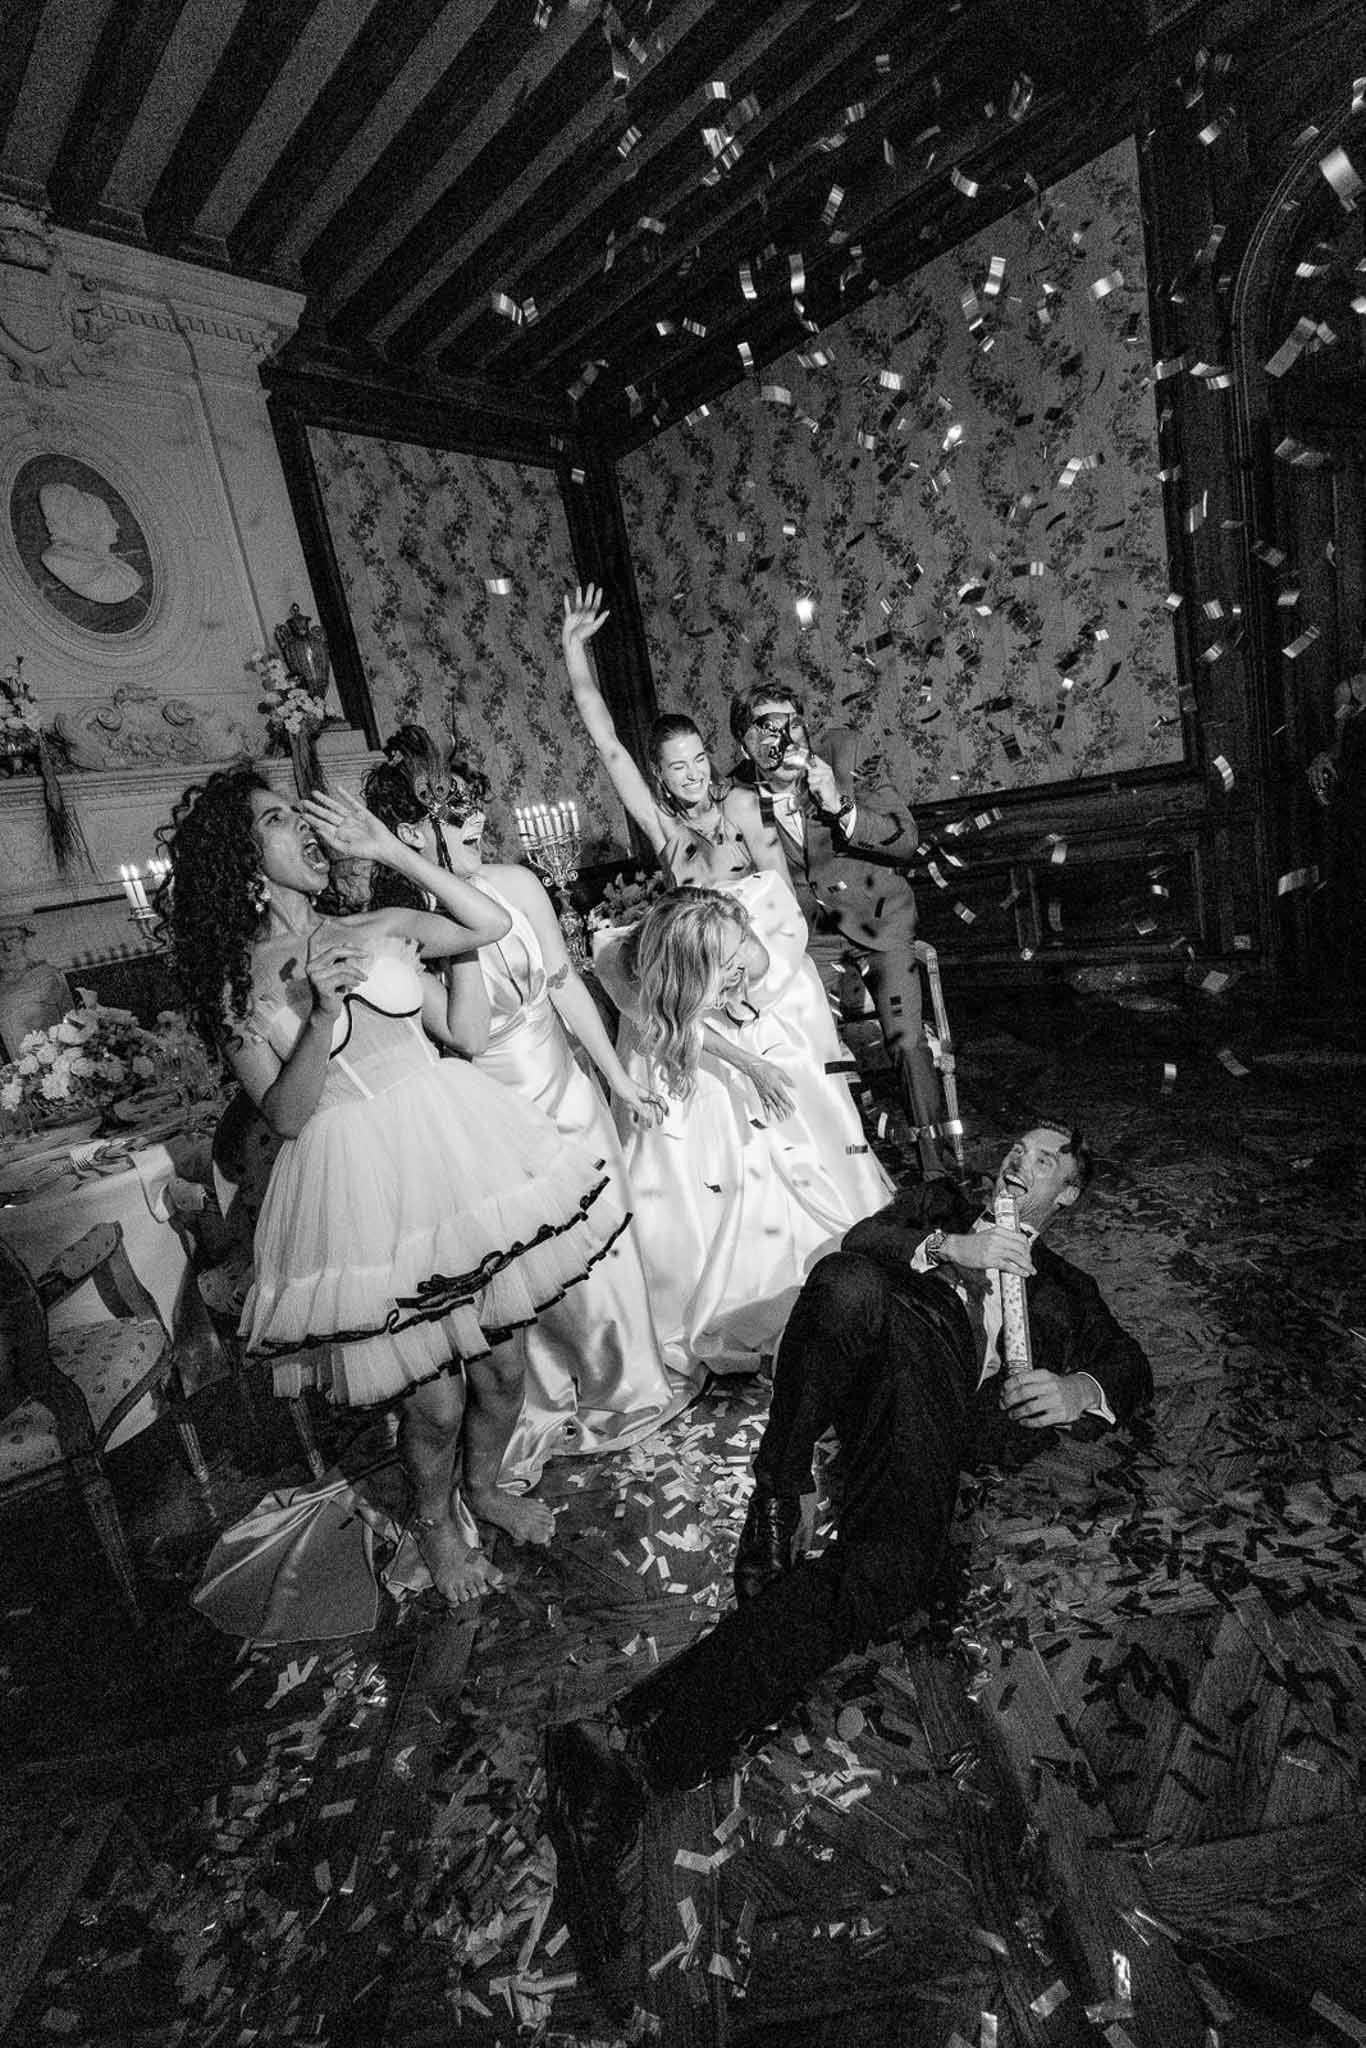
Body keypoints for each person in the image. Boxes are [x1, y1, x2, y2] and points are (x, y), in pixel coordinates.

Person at [543, 1121, 1152, 2011]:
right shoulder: (946, 1205)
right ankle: (777, 1491)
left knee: (887, 1572)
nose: (1026, 1159)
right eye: (1021, 1147)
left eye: (1053, 1156)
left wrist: (1074, 1392)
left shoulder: (1065, 1287)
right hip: (878, 1333)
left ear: (1071, 1196)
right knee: (845, 1281)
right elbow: (867, 1241)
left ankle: (625, 1743)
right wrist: (950, 1244)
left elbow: (1129, 1365)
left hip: (934, 1401)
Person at [160, 766, 627, 1608]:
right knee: (436, 1400)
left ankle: (484, 1489)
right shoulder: (238, 981)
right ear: (241, 858)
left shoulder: (375, 922)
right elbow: (289, 1114)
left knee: (506, 1368)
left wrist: (386, 851)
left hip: (455, 1151)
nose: (302, 827)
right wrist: (320, 1018)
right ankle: (436, 1524)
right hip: (359, 1184)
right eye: (275, 819)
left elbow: (487, 927)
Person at [359, 746, 693, 1483]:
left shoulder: (515, 881)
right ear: (408, 830)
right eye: (445, 811)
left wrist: (616, 1078)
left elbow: (565, 981)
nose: (469, 819)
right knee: (531, 1272)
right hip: (493, 1113)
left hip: (569, 1091)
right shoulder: (408, 927)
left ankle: (628, 1382)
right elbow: (454, 1035)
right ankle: (537, 1400)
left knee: (605, 1244)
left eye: (470, 805)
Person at [595, 887, 892, 1375]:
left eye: (737, 952)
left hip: (752, 1016)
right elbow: (670, 1022)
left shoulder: (752, 955)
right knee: (682, 1158)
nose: (737, 964)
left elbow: (752, 991)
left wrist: (755, 1055)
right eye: (724, 962)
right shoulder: (628, 964)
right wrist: (745, 1064)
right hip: (674, 1029)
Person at [726, 684, 947, 1178]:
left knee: (908, 1041)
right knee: (805, 1044)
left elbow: (905, 840)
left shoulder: (846, 755)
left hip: (880, 923)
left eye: (792, 723)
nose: (783, 739)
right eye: (767, 729)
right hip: (811, 944)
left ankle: (939, 1173)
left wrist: (840, 806)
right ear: (745, 747)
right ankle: (847, 1172)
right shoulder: (733, 799)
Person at [562, 584, 785, 890]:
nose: (694, 775)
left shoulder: (744, 804)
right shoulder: (661, 825)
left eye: (699, 759)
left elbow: (783, 896)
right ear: (660, 772)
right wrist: (573, 648)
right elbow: (607, 744)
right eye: (679, 766)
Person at [1307, 657, 1366, 1001]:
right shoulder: (1349, 690)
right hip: (1358, 804)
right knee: (1356, 888)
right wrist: (1321, 759)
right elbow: (1339, 748)